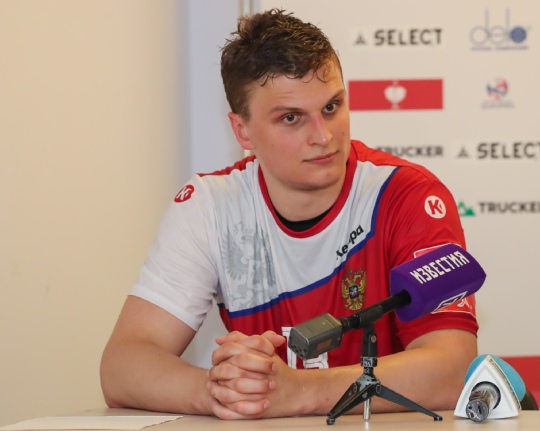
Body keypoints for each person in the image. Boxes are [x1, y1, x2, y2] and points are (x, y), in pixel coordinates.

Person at [100, 8, 478, 420]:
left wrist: (298, 391)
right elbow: (124, 365)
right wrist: (223, 391)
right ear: (242, 131)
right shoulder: (210, 206)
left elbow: (451, 369)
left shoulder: (406, 195)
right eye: (291, 118)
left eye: (331, 107)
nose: (323, 136)